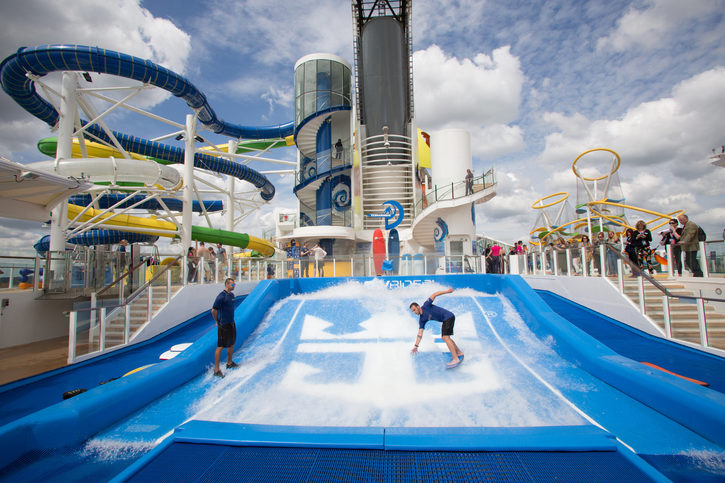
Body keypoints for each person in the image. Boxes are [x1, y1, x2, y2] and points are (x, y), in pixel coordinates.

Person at [409, 288, 463, 368]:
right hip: (446, 319)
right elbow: (420, 333)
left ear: (418, 307)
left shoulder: (426, 305)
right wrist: (416, 346)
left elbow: (434, 294)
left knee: (445, 338)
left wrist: (447, 291)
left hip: (448, 317)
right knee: (446, 337)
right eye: (412, 311)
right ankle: (458, 352)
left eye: (414, 310)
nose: (414, 312)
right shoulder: (422, 319)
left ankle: (455, 359)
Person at [212, 277, 239, 377]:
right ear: (227, 284)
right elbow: (213, 310)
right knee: (220, 347)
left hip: (231, 323)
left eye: (234, 284)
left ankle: (229, 362)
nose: (234, 286)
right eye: (232, 284)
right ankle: (216, 370)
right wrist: (217, 321)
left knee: (231, 343)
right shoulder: (221, 296)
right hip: (223, 325)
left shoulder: (232, 295)